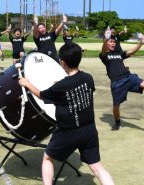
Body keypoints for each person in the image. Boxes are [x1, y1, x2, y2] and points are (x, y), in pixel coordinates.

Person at [18, 43, 115, 185]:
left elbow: (40, 95)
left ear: (62, 62)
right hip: (89, 129)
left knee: (47, 158)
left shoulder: (60, 87)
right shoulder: (88, 78)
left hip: (68, 131)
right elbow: (77, 87)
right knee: (97, 167)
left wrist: (26, 83)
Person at [99, 31, 144, 131]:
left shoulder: (119, 53)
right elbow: (103, 50)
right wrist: (106, 38)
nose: (113, 43)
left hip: (128, 76)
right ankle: (117, 122)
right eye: (110, 42)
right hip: (117, 83)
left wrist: (141, 43)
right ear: (106, 42)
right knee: (116, 106)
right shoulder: (104, 55)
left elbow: (131, 52)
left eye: (114, 42)